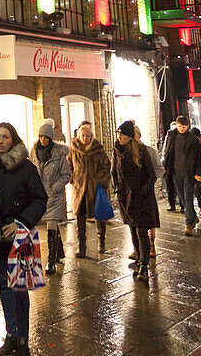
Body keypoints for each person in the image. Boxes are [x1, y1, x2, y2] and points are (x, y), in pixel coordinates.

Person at [0, 122, 47, 356]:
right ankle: (11, 334)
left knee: (19, 288)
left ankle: (23, 337)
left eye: (5, 136)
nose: (0, 140)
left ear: (13, 140)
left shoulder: (25, 167)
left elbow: (40, 199)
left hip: (19, 238)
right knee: (5, 287)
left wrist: (21, 222)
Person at [113, 120, 159, 286]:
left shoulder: (141, 151)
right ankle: (139, 260)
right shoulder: (117, 150)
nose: (119, 137)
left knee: (141, 231)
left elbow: (151, 174)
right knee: (132, 230)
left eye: (123, 135)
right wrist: (118, 188)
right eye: (118, 134)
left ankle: (144, 267)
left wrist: (142, 191)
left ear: (130, 137)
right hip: (126, 198)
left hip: (141, 197)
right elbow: (115, 171)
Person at [29, 119, 70, 276]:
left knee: (51, 224)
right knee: (51, 224)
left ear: (50, 138)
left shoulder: (59, 154)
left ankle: (51, 262)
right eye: (41, 136)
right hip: (41, 195)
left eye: (46, 137)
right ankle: (59, 252)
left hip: (54, 196)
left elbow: (66, 175)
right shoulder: (35, 153)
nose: (43, 140)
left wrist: (54, 188)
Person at [68, 121, 112, 257]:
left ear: (91, 136)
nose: (85, 138)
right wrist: (73, 179)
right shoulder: (74, 149)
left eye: (88, 136)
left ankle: (101, 242)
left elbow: (106, 166)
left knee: (100, 217)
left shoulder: (98, 150)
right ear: (79, 136)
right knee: (80, 221)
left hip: (95, 188)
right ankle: (81, 247)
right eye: (83, 136)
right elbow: (69, 164)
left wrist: (98, 180)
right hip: (80, 189)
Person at [164, 114, 201, 236]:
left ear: (188, 126)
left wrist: (198, 172)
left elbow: (198, 158)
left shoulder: (192, 139)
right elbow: (167, 152)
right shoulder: (172, 136)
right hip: (175, 170)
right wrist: (166, 168)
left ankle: (188, 224)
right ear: (176, 125)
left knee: (187, 197)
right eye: (180, 126)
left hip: (189, 171)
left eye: (184, 126)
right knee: (181, 196)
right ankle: (192, 216)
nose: (182, 129)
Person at [134, 124, 165, 259]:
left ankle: (151, 244)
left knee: (148, 219)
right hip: (135, 192)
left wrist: (150, 181)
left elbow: (160, 169)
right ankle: (138, 248)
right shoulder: (128, 153)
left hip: (147, 191)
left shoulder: (149, 151)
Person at [161, 121, 182, 211]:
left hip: (177, 165)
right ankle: (172, 204)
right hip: (169, 164)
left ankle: (182, 205)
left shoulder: (180, 137)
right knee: (170, 186)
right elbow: (165, 149)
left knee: (179, 186)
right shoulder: (168, 136)